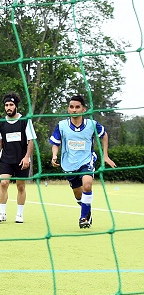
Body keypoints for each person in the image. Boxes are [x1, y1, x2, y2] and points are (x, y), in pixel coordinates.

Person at [49, 94, 116, 229]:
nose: (74, 110)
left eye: (77, 107)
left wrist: (105, 155)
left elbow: (104, 135)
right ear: (68, 109)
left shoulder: (91, 124)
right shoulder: (62, 125)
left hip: (87, 160)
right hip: (69, 164)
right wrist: (54, 155)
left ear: (83, 109)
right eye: (71, 107)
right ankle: (87, 211)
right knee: (78, 194)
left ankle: (83, 217)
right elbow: (56, 142)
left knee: (87, 184)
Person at [0, 92, 36, 224]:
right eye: (6, 105)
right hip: (6, 159)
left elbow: (31, 141)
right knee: (4, 183)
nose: (8, 107)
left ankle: (19, 214)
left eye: (11, 104)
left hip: (21, 160)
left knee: (20, 186)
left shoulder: (25, 121)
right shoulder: (0, 123)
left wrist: (27, 157)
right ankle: (2, 213)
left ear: (16, 106)